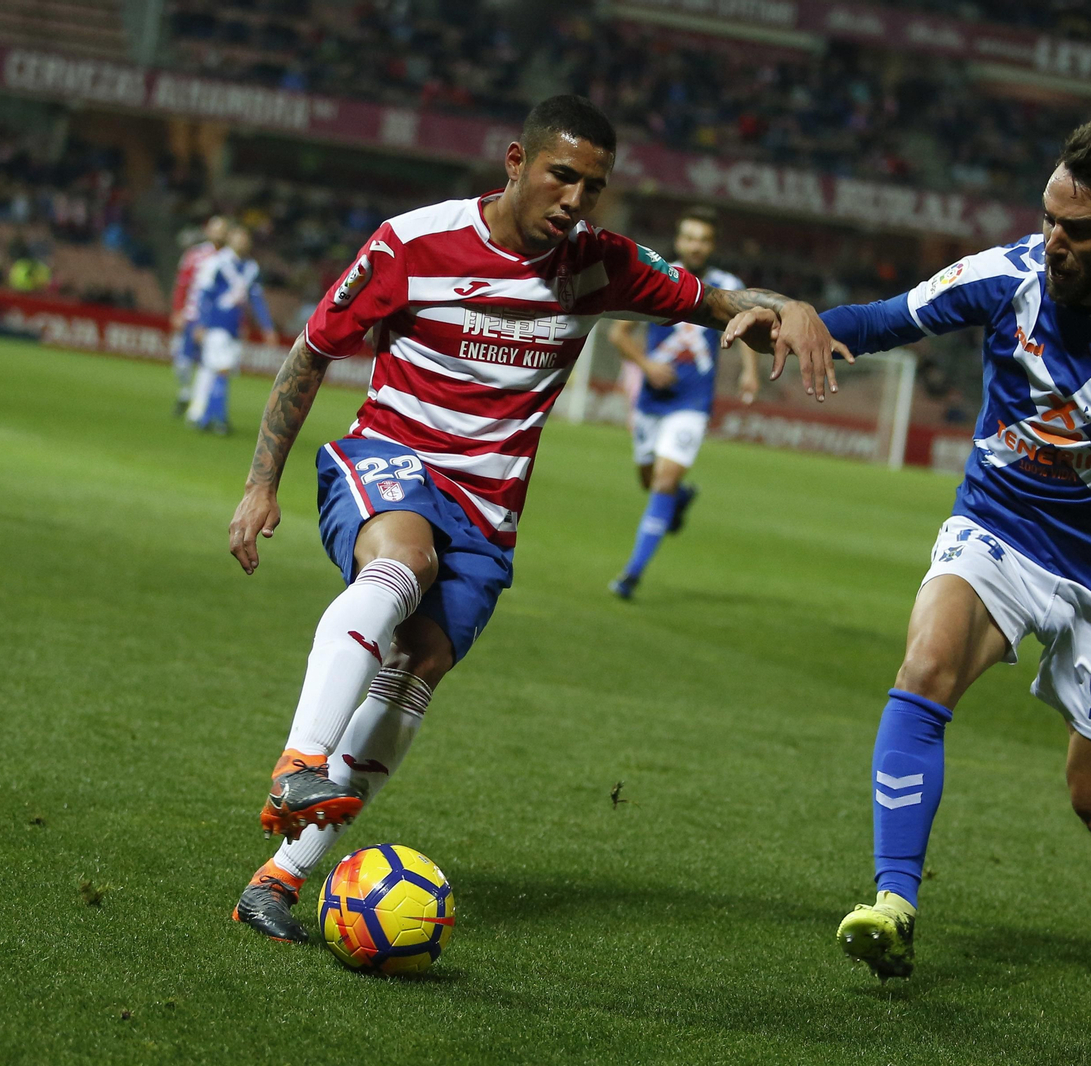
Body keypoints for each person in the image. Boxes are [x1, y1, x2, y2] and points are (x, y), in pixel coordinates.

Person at [224, 95, 845, 943]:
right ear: (516, 161)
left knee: (418, 668)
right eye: (562, 176)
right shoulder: (411, 242)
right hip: (391, 458)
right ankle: (301, 760)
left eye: (593, 186)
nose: (575, 200)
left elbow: (721, 301)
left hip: (488, 509)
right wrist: (261, 483)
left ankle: (277, 881)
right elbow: (312, 352)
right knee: (405, 562)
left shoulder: (602, 264)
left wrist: (792, 307)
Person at [741, 122, 1091, 979]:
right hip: (998, 528)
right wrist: (797, 320)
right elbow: (887, 320)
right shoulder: (1006, 276)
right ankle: (894, 905)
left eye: (1078, 229)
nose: (1054, 241)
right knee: (925, 667)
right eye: (1048, 219)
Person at [606, 205, 759, 599]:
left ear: (713, 245)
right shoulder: (658, 276)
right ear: (678, 240)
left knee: (662, 481)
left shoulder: (727, 285)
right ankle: (679, 500)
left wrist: (749, 371)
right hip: (652, 400)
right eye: (690, 237)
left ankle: (631, 575)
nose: (696, 246)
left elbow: (747, 329)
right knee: (650, 481)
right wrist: (647, 365)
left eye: (703, 239)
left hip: (692, 402)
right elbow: (618, 334)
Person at [186, 226, 276, 435]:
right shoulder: (217, 263)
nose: (242, 241)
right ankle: (218, 419)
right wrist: (201, 323)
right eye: (238, 237)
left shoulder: (250, 268)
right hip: (216, 324)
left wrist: (267, 327)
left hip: (235, 327)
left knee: (217, 371)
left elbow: (257, 300)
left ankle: (204, 417)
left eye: (245, 237)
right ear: (230, 239)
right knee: (221, 370)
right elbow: (204, 294)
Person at [170, 216, 228, 416]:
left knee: (208, 365)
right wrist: (178, 310)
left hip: (216, 321)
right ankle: (185, 392)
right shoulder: (194, 255)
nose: (219, 234)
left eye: (222, 230)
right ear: (208, 231)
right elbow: (182, 284)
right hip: (192, 316)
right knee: (183, 362)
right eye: (215, 229)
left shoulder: (230, 259)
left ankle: (198, 403)